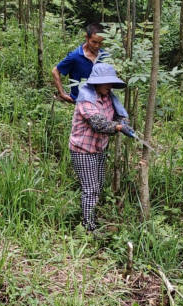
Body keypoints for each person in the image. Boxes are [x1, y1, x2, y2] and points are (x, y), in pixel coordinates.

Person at [69, 63, 134, 233]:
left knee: (98, 186)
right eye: (105, 82)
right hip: (82, 150)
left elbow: (120, 115)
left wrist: (124, 123)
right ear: (96, 82)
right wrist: (119, 128)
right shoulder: (86, 99)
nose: (108, 85)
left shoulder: (109, 98)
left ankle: (91, 219)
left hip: (99, 149)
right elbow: (99, 124)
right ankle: (88, 229)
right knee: (90, 189)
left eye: (110, 82)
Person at [52, 23, 109, 104]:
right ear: (86, 37)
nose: (97, 46)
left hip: (101, 102)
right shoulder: (75, 56)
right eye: (94, 42)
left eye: (100, 43)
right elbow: (55, 71)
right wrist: (62, 94)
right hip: (82, 103)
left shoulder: (105, 56)